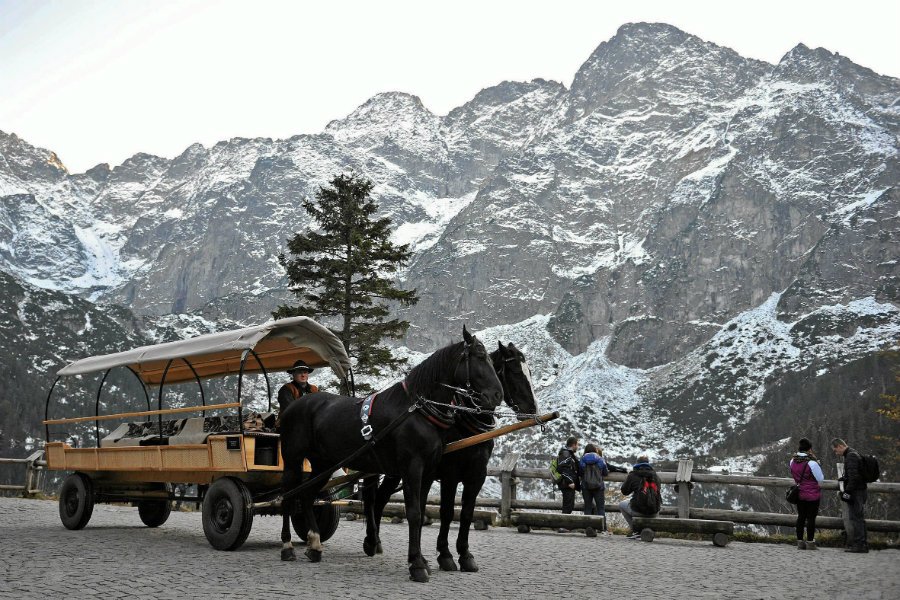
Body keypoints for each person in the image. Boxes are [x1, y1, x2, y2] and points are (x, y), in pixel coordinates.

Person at [832, 438, 868, 553]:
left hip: (856, 492)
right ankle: (862, 544)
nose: (836, 453)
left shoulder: (851, 456)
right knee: (859, 518)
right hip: (860, 491)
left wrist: (847, 492)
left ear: (840, 446)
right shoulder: (854, 453)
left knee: (856, 518)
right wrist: (844, 478)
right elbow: (854, 474)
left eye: (835, 450)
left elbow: (854, 478)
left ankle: (859, 545)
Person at [790, 438, 824, 550]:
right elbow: (820, 478)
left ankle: (800, 542)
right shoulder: (812, 463)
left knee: (801, 517)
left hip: (800, 494)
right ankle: (810, 542)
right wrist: (818, 463)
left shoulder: (792, 461)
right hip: (812, 495)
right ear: (810, 449)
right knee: (811, 519)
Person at [618, 455, 662, 539]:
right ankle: (649, 529)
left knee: (622, 504)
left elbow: (624, 491)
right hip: (654, 512)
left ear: (637, 464)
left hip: (638, 511)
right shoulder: (656, 476)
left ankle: (636, 530)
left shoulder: (633, 475)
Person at [580, 444, 610, 535]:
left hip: (586, 487)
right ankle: (602, 529)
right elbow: (605, 472)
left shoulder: (582, 459)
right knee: (600, 508)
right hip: (598, 487)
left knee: (588, 507)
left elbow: (580, 473)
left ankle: (588, 527)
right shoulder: (600, 459)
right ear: (595, 450)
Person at [556, 436, 580, 528]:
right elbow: (562, 468)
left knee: (569, 505)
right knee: (567, 505)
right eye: (577, 444)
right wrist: (570, 481)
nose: (577, 447)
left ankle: (564, 525)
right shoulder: (566, 454)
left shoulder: (568, 453)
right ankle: (562, 526)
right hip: (567, 484)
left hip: (568, 484)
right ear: (573, 445)